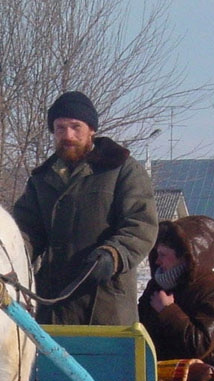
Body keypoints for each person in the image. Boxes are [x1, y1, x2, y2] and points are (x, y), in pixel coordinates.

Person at [13, 91, 158, 325]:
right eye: (60, 128)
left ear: (91, 129)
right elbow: (25, 231)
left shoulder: (121, 169)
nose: (67, 135)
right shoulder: (41, 180)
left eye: (75, 127)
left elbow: (141, 225)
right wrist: (11, 255)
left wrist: (114, 254)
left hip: (105, 304)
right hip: (52, 305)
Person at [138, 215, 214, 381]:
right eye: (156, 254)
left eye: (163, 255)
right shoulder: (158, 285)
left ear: (185, 258)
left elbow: (198, 346)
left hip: (213, 377)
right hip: (170, 368)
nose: (157, 261)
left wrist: (168, 311)